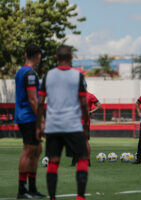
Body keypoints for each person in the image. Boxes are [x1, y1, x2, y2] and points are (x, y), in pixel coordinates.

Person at [36, 45, 89, 200]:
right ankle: (80, 197)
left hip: (53, 126)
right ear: (71, 58)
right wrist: (85, 125)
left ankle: (52, 197)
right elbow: (84, 103)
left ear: (56, 58)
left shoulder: (48, 75)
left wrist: (39, 124)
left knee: (53, 161)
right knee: (83, 158)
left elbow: (40, 102)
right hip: (72, 125)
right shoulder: (78, 76)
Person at [15, 44, 46, 199]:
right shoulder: (30, 74)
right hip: (28, 116)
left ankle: (32, 188)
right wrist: (41, 120)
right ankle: (22, 190)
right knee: (28, 151)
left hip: (25, 116)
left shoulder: (21, 71)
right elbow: (33, 99)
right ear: (38, 56)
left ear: (26, 54)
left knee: (37, 149)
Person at [71, 91, 101, 166]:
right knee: (85, 142)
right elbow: (99, 106)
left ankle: (74, 160)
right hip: (85, 123)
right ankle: (88, 161)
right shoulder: (90, 95)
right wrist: (90, 112)